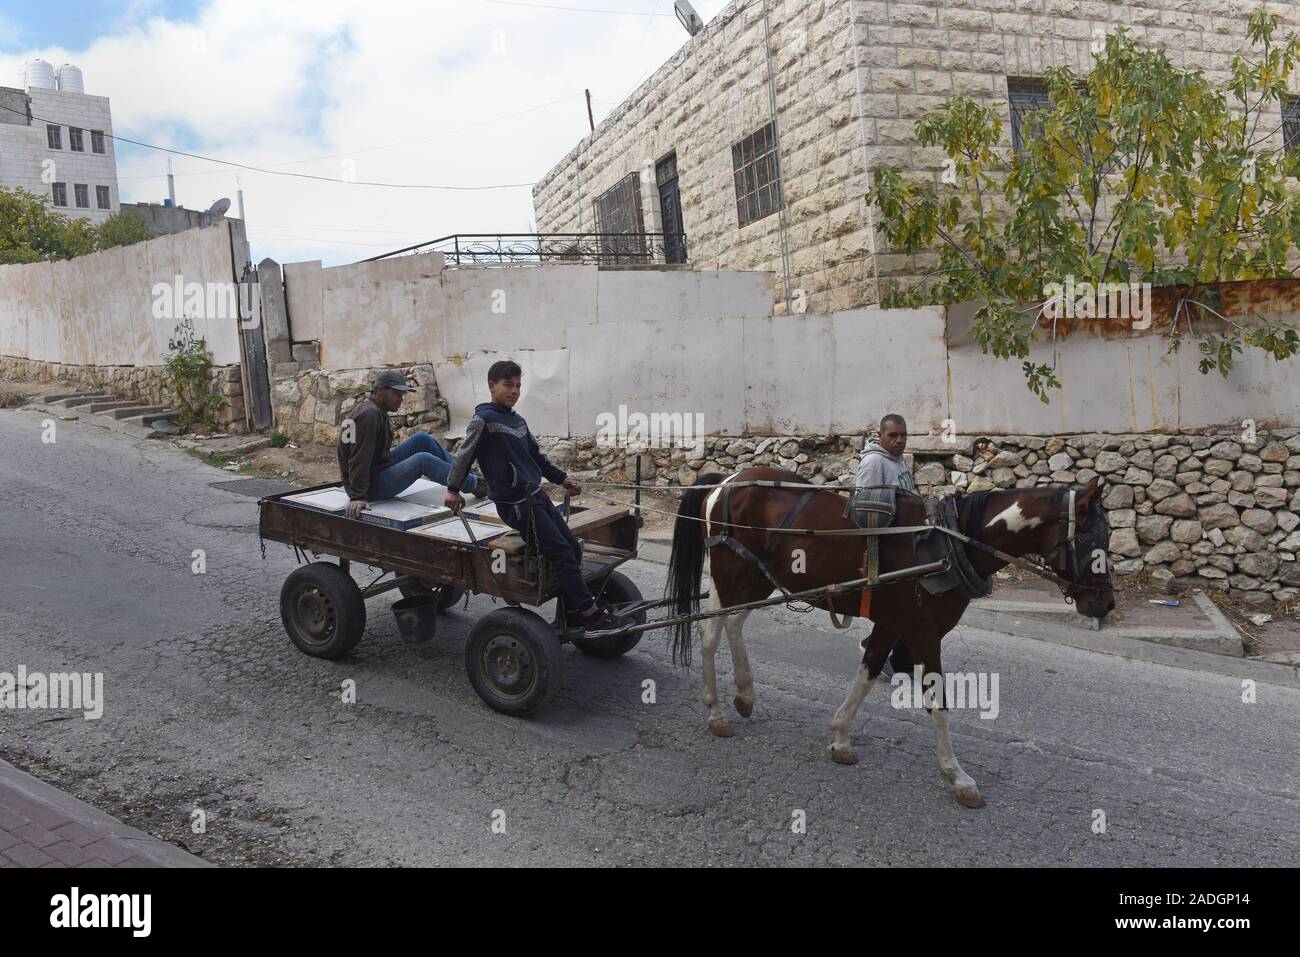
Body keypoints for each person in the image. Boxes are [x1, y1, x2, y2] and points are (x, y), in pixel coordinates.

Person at [444, 360, 623, 633]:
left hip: (536, 497)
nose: (514, 390)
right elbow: (463, 455)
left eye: (517, 385)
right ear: (491, 386)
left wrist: (563, 479)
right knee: (561, 553)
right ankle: (589, 614)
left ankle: (572, 612)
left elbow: (538, 459)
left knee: (573, 548)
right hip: (516, 505)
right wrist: (453, 489)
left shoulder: (517, 421)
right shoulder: (484, 420)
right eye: (508, 385)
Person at [337, 369, 487, 519]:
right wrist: (357, 497)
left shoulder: (370, 409)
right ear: (380, 390)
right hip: (370, 487)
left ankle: (467, 474)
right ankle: (476, 485)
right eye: (396, 394)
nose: (401, 400)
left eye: (402, 395)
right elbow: (358, 458)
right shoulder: (369, 415)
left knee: (422, 439)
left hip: (376, 470)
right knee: (423, 460)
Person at [855, 413, 916, 677]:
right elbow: (863, 507)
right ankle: (895, 659)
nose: (899, 440)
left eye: (903, 435)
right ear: (880, 436)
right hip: (890, 544)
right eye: (893, 435)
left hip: (906, 539)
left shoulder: (898, 459)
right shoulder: (874, 463)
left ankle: (882, 646)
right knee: (909, 604)